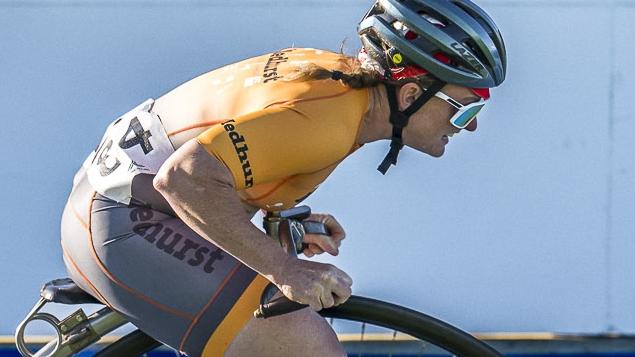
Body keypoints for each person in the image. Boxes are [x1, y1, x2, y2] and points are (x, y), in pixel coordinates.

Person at [60, 0, 506, 355]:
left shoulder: (335, 83)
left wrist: (282, 215)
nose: (470, 126)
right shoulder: (327, 123)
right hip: (124, 224)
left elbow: (214, 158)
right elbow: (183, 179)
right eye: (467, 109)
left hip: (113, 211)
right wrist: (286, 268)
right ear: (411, 94)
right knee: (307, 346)